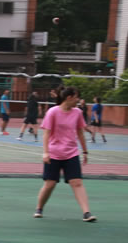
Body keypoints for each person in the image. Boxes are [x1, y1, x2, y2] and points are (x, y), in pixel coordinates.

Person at [34, 86, 96, 222]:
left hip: (71, 153)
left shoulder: (77, 112)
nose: (78, 100)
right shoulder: (53, 112)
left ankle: (86, 212)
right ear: (69, 97)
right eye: (76, 97)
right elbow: (46, 134)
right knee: (50, 184)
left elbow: (80, 132)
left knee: (77, 182)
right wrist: (45, 152)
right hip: (54, 154)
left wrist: (85, 151)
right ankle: (39, 208)